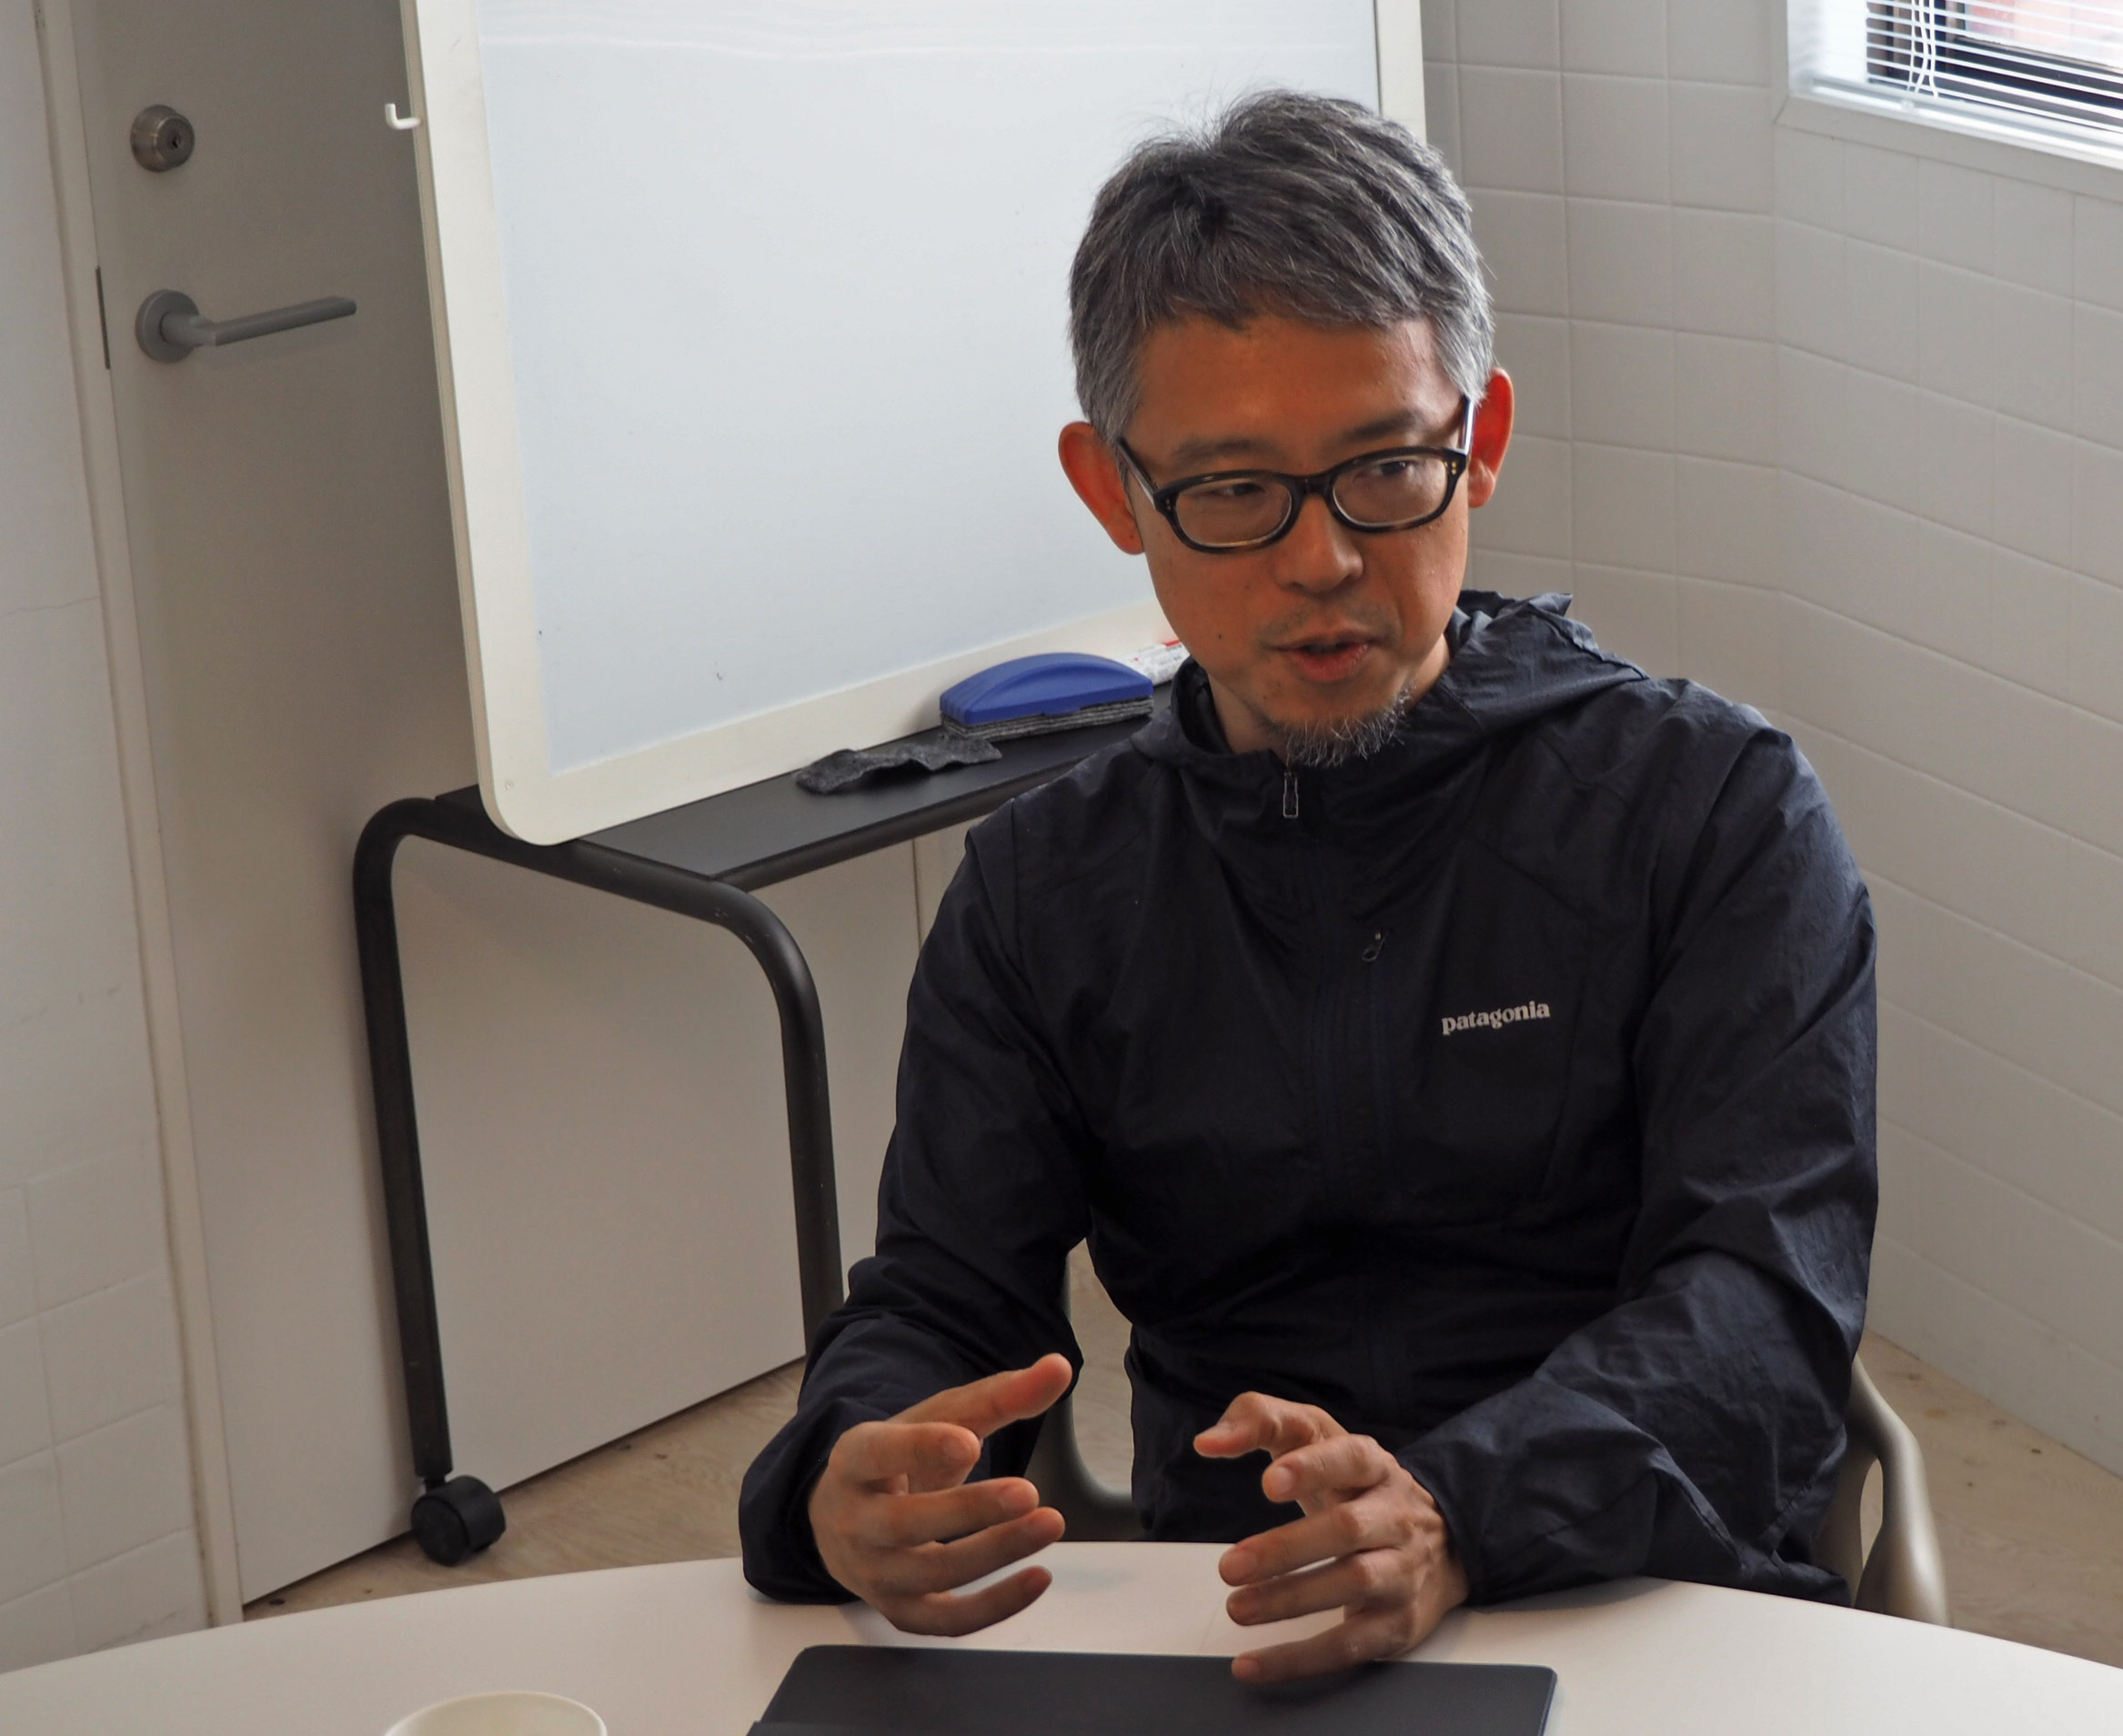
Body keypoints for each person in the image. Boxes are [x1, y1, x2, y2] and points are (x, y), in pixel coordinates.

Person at [740, 89, 1876, 1683]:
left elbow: (1763, 1310)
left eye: (1386, 468)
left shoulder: (1714, 813)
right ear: (1113, 490)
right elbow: (943, 1296)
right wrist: (842, 1469)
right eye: (1231, 492)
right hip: (1239, 1621)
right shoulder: (1041, 891)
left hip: (1644, 1587)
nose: (1323, 558)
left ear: (1480, 440)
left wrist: (1458, 1509)